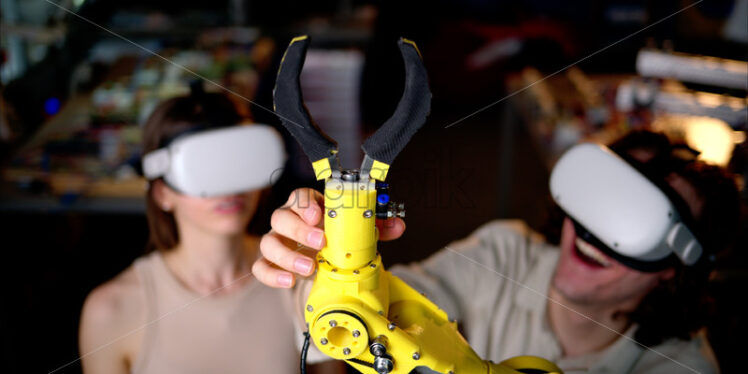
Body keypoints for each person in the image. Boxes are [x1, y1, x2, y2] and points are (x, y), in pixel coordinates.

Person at [252, 130, 740, 373]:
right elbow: (344, 322)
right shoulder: (505, 254)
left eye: (631, 226)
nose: (592, 234)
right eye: (600, 199)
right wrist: (320, 263)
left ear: (675, 271)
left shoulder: (684, 367)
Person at [78, 91, 345, 374]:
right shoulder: (111, 311)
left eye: (240, 162)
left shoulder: (304, 273)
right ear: (162, 193)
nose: (229, 187)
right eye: (204, 168)